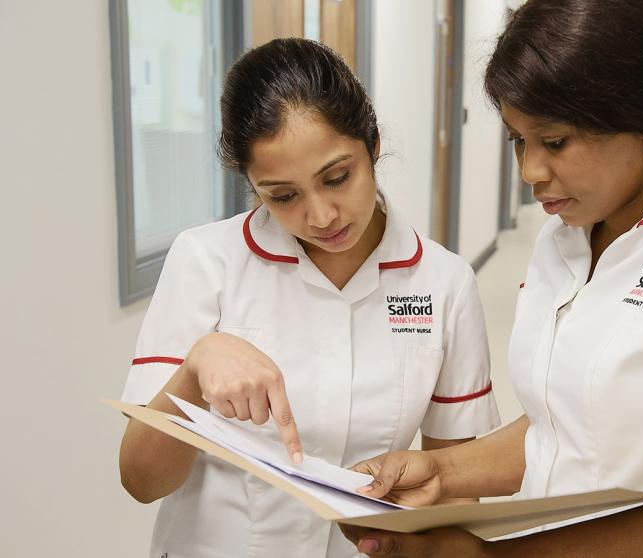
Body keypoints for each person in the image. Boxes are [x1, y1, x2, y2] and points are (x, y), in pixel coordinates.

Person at [342, 1, 643, 556]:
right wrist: (440, 470)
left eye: (554, 142)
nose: (530, 170)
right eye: (518, 140)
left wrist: (491, 555)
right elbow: (566, 427)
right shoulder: (566, 239)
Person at [117, 38, 500, 558]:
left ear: (374, 146)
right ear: (253, 185)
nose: (321, 216)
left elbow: (457, 484)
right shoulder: (205, 261)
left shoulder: (445, 282)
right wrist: (194, 369)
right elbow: (142, 482)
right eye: (283, 196)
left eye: (337, 177)